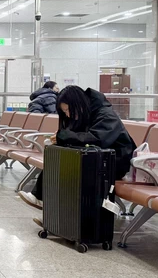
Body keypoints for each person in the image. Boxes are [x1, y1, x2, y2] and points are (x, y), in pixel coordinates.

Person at [18, 86, 135, 225]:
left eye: (68, 110)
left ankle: (58, 216)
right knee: (62, 158)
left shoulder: (105, 114)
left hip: (116, 163)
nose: (67, 115)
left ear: (77, 104)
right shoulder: (85, 112)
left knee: (73, 171)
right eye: (64, 112)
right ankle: (48, 206)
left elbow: (97, 139)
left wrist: (65, 136)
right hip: (98, 159)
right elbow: (81, 138)